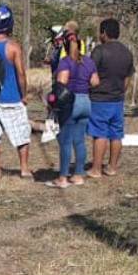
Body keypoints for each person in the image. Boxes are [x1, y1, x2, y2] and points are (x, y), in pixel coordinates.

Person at [0, 4, 31, 179]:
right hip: (11, 98)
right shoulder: (13, 47)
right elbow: (21, 74)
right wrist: (24, 94)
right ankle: (24, 168)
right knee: (21, 134)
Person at [52, 31, 99, 189]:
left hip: (71, 102)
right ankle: (78, 175)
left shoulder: (65, 62)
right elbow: (95, 82)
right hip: (86, 102)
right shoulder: (89, 61)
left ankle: (63, 177)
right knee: (79, 141)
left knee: (65, 141)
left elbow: (62, 81)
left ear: (65, 46)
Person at [88, 18, 134, 178]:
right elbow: (128, 77)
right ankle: (112, 167)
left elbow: (90, 74)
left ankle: (96, 169)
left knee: (100, 133)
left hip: (100, 99)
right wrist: (121, 91)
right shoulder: (127, 52)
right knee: (116, 134)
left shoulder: (99, 51)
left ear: (104, 33)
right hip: (118, 99)